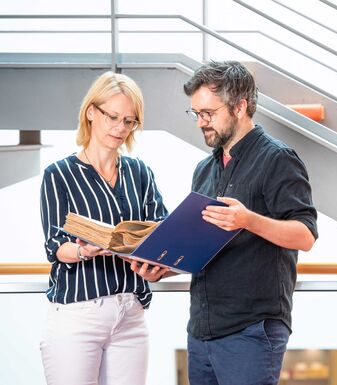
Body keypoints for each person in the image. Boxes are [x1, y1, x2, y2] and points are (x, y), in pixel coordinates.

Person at [183, 60, 318, 384]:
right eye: (196, 113)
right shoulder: (205, 169)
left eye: (209, 113)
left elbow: (305, 235)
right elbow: (200, 245)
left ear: (240, 106)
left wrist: (248, 220)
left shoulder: (277, 159)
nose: (201, 122)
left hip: (251, 332)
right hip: (201, 331)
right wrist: (162, 263)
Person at [39, 71, 169, 385]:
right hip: (78, 315)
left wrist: (158, 264)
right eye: (112, 116)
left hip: (130, 314)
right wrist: (84, 250)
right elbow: (56, 247)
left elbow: (162, 230)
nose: (120, 128)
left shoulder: (139, 172)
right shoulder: (59, 174)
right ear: (91, 113)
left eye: (129, 120)